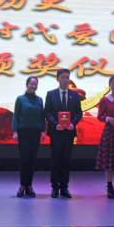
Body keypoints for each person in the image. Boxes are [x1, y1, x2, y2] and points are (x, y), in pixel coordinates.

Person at [44, 68, 82, 198]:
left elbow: (78, 113)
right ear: (57, 79)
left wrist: (73, 123)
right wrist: (55, 124)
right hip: (56, 132)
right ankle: (55, 187)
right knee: (55, 160)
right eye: (63, 77)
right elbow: (47, 112)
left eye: (67, 77)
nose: (65, 80)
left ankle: (64, 187)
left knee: (66, 160)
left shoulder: (74, 95)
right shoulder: (51, 94)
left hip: (69, 133)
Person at [12, 76, 46, 198]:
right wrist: (14, 131)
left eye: (35, 84)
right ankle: (23, 185)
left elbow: (42, 117)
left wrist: (43, 131)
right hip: (23, 132)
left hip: (35, 132)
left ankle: (29, 186)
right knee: (24, 158)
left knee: (32, 159)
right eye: (31, 84)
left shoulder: (39, 100)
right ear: (27, 85)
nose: (33, 86)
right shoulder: (20, 99)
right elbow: (16, 116)